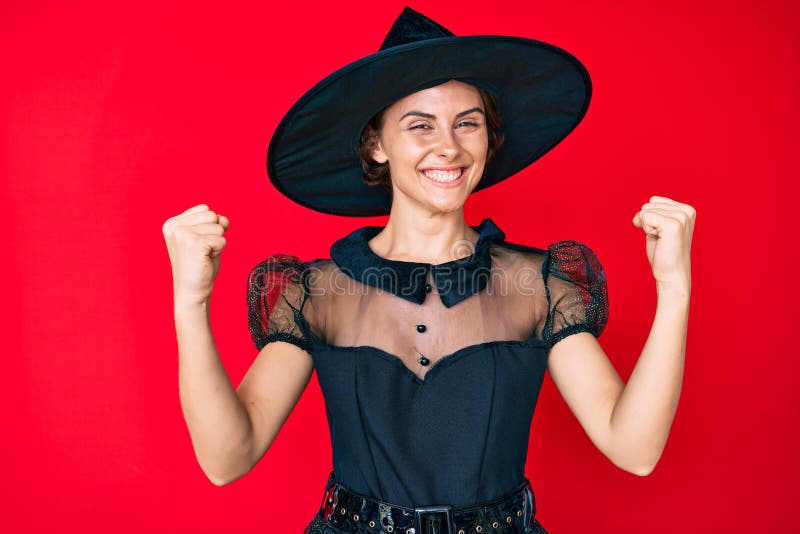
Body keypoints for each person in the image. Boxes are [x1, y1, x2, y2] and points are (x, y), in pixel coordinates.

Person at [162, 7, 695, 534]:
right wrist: (191, 304)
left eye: (469, 123)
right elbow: (227, 459)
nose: (449, 146)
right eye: (421, 125)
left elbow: (634, 450)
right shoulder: (317, 292)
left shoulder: (538, 284)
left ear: (489, 139)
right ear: (376, 143)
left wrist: (673, 289)